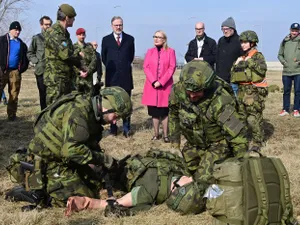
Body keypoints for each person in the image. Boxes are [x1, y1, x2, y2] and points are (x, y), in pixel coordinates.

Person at [6, 86, 132, 208]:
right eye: (116, 116)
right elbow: (72, 150)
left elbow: (87, 146)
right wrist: (104, 159)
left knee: (94, 184)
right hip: (47, 161)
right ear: (106, 106)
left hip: (64, 158)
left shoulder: (92, 113)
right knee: (80, 196)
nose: (115, 122)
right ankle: (34, 191)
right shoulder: (78, 112)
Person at [168, 60, 248, 188]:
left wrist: (242, 166)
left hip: (217, 146)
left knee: (200, 183)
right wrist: (175, 145)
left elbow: (238, 137)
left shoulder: (221, 101)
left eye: (198, 92)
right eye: (189, 91)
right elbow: (173, 116)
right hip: (194, 144)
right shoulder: (178, 91)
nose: (193, 96)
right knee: (172, 172)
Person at [64, 149, 205, 217]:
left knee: (87, 166)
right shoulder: (182, 172)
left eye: (189, 183)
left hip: (116, 173)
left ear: (176, 189)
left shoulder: (148, 192)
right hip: (123, 163)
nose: (190, 179)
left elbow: (113, 204)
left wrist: (84, 202)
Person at [231, 30, 268, 151]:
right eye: (241, 42)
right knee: (241, 117)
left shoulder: (257, 56)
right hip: (242, 91)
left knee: (253, 118)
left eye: (245, 42)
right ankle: (242, 140)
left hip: (253, 92)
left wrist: (249, 61)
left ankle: (257, 142)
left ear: (252, 43)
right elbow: (233, 75)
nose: (242, 44)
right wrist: (236, 64)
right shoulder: (241, 57)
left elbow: (262, 70)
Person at [44, 4, 85, 105]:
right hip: (56, 80)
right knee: (54, 110)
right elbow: (66, 55)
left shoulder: (64, 33)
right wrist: (80, 63)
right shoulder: (54, 32)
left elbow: (70, 52)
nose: (74, 20)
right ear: (67, 18)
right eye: (73, 18)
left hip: (65, 78)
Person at [101, 16, 135, 137]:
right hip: (112, 78)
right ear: (112, 26)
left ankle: (126, 129)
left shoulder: (130, 39)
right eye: (116, 25)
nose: (118, 27)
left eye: (120, 25)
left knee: (126, 104)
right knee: (112, 105)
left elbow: (130, 57)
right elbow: (104, 58)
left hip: (125, 77)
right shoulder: (106, 40)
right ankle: (113, 129)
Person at [141, 30, 176, 142]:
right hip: (152, 87)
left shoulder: (171, 51)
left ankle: (165, 135)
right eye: (154, 36)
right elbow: (146, 67)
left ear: (164, 39)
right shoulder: (149, 52)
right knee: (154, 112)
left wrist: (161, 81)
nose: (156, 39)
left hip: (165, 87)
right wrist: (153, 81)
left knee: (164, 112)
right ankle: (156, 134)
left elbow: (172, 67)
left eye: (159, 37)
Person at [0, 21, 29, 121]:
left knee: (14, 94)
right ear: (10, 30)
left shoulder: (22, 44)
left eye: (19, 30)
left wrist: (20, 69)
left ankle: (12, 115)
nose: (17, 32)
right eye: (15, 30)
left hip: (15, 72)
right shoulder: (2, 40)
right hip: (2, 70)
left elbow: (25, 59)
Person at [27, 16, 53, 110]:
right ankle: (43, 115)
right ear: (41, 25)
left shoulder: (54, 39)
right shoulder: (37, 38)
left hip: (52, 71)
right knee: (43, 94)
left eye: (50, 24)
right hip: (41, 71)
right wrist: (36, 61)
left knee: (52, 95)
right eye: (46, 24)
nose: (48, 26)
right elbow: (30, 53)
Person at [278, 23, 300, 117]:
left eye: (296, 31)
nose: (294, 32)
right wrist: (284, 62)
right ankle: (285, 109)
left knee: (298, 91)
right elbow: (279, 54)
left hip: (298, 71)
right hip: (286, 71)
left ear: (299, 31)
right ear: (290, 30)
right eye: (293, 30)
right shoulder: (285, 41)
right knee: (286, 91)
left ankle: (296, 109)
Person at [216, 17, 243, 95]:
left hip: (234, 81)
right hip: (220, 79)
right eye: (223, 29)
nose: (225, 31)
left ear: (232, 29)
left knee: (234, 103)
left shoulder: (239, 41)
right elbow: (217, 59)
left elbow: (243, 58)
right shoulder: (221, 41)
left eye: (226, 29)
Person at [73, 28, 97, 95]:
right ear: (77, 35)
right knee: (78, 98)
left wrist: (88, 71)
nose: (82, 37)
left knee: (89, 98)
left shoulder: (89, 47)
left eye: (83, 35)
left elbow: (94, 60)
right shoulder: (73, 47)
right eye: (80, 35)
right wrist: (79, 72)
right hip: (78, 79)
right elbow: (71, 63)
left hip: (88, 78)